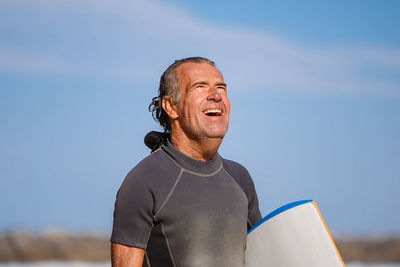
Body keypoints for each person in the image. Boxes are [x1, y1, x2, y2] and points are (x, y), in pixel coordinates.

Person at [111, 57, 261, 267]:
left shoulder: (239, 177)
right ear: (171, 107)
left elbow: (264, 255)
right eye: (200, 87)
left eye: (221, 87)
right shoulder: (143, 182)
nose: (216, 95)